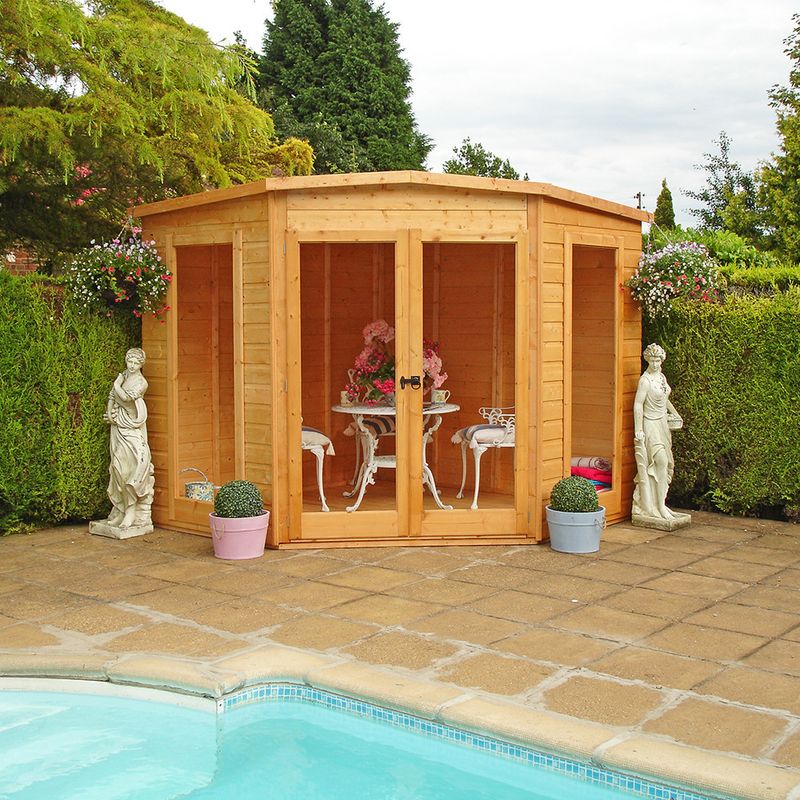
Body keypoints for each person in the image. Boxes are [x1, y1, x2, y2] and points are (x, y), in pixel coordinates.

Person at [102, 348, 155, 528]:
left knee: (130, 469)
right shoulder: (124, 375)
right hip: (117, 427)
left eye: (135, 363)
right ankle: (121, 509)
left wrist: (117, 384)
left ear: (141, 364)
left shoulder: (141, 382)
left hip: (131, 428)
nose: (131, 366)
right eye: (129, 362)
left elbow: (124, 398)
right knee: (116, 468)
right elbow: (112, 397)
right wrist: (110, 414)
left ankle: (131, 511)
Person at [632, 343, 682, 520]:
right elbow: (638, 404)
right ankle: (657, 507)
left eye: (657, 360)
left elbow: (665, 398)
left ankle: (661, 503)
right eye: (652, 360)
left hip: (662, 423)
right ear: (648, 360)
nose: (654, 364)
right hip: (650, 423)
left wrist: (675, 414)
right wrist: (638, 429)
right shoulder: (645, 380)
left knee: (667, 462)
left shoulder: (661, 377)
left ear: (662, 360)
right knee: (659, 461)